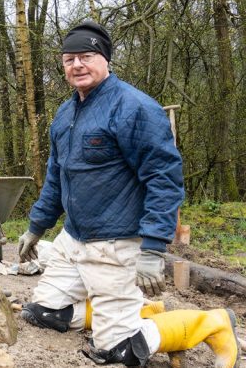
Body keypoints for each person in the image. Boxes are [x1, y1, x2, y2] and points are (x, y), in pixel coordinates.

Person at [17, 21, 239, 367]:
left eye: (86, 56)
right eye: (69, 58)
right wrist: (37, 226)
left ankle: (209, 322)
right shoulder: (64, 115)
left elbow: (164, 180)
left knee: (117, 351)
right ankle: (127, 311)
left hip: (115, 243)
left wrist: (153, 247)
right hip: (74, 239)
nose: (77, 65)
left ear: (105, 59)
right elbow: (56, 178)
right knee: (43, 312)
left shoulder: (134, 108)